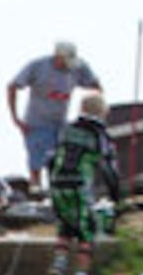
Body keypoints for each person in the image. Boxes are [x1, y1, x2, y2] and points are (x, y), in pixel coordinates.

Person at [47, 91, 122, 275]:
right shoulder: (100, 135)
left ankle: (59, 266)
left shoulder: (67, 129)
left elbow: (51, 159)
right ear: (102, 111)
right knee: (86, 231)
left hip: (57, 183)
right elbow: (109, 169)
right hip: (79, 185)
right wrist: (116, 196)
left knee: (64, 227)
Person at [7, 41, 103, 191]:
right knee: (37, 164)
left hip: (61, 124)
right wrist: (15, 118)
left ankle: (59, 196)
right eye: (65, 62)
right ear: (57, 57)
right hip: (36, 123)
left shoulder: (78, 67)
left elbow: (96, 86)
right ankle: (37, 193)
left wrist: (94, 110)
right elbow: (12, 86)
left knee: (61, 163)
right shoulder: (38, 66)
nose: (67, 66)